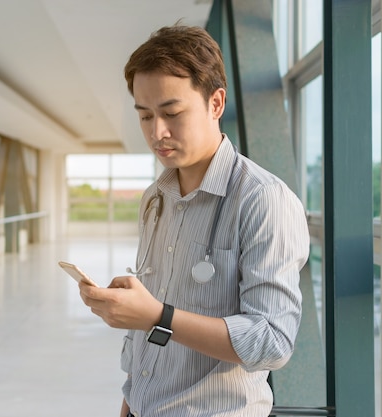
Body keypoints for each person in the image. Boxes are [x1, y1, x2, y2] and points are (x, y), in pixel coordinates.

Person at [79, 24, 310, 417]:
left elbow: (273, 342)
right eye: (145, 116)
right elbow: (149, 333)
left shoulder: (263, 200)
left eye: (172, 113)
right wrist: (131, 400)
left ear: (216, 103)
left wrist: (157, 315)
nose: (158, 132)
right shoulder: (156, 197)